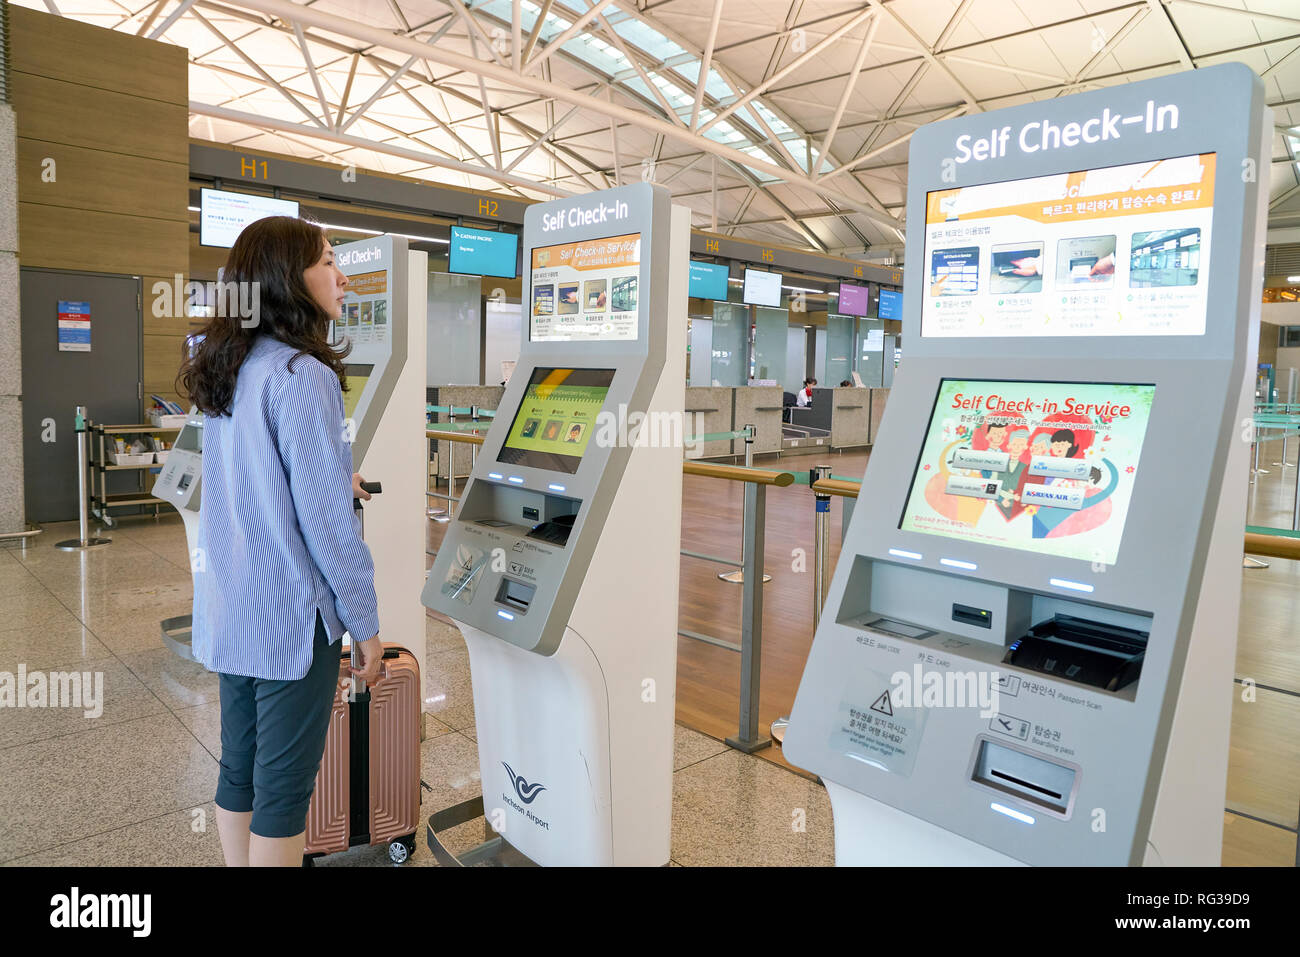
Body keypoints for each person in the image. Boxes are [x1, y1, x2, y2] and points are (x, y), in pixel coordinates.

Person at [177, 216, 384, 867]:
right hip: (290, 620)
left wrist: (329, 474)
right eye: (327, 261)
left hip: (231, 606)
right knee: (284, 794)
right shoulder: (303, 373)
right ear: (287, 280)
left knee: (239, 767)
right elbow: (327, 526)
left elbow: (250, 476)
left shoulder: (227, 366)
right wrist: (366, 622)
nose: (341, 275)